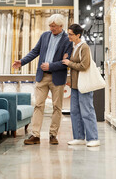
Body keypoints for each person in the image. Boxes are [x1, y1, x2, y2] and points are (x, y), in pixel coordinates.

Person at [13, 14, 72, 145]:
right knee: (38, 105)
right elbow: (35, 52)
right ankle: (35, 135)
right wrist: (22, 62)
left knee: (57, 107)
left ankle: (53, 135)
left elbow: (66, 62)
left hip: (57, 77)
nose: (51, 28)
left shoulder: (68, 40)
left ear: (61, 26)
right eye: (50, 26)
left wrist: (50, 65)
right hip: (42, 77)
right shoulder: (45, 36)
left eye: (54, 26)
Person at [62, 24, 100, 147]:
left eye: (71, 34)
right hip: (74, 85)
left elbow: (84, 65)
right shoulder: (73, 47)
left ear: (78, 35)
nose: (69, 36)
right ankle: (78, 137)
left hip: (83, 85)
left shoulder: (84, 47)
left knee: (87, 111)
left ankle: (93, 138)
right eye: (68, 33)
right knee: (75, 111)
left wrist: (69, 63)